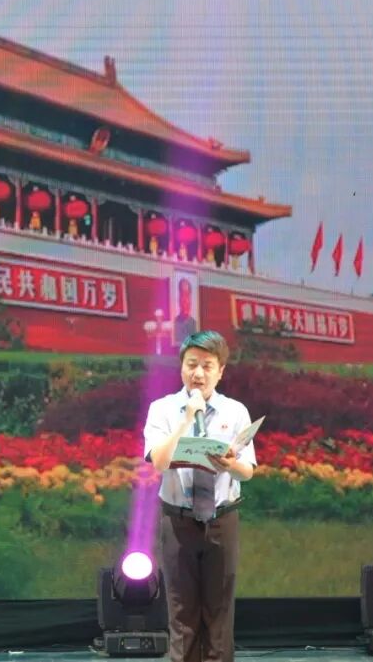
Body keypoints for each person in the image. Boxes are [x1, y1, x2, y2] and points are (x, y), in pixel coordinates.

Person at [143, 330, 257, 662]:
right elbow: (159, 461)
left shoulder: (235, 411)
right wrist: (188, 418)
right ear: (181, 367)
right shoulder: (163, 409)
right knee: (182, 612)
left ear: (220, 371)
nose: (198, 373)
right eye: (191, 364)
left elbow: (247, 471)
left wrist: (230, 463)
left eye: (207, 366)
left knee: (220, 614)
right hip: (177, 521)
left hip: (222, 519)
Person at [173, 277, 199, 343]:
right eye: (182, 295)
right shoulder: (173, 325)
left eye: (187, 295)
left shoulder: (196, 325)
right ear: (179, 299)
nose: (185, 301)